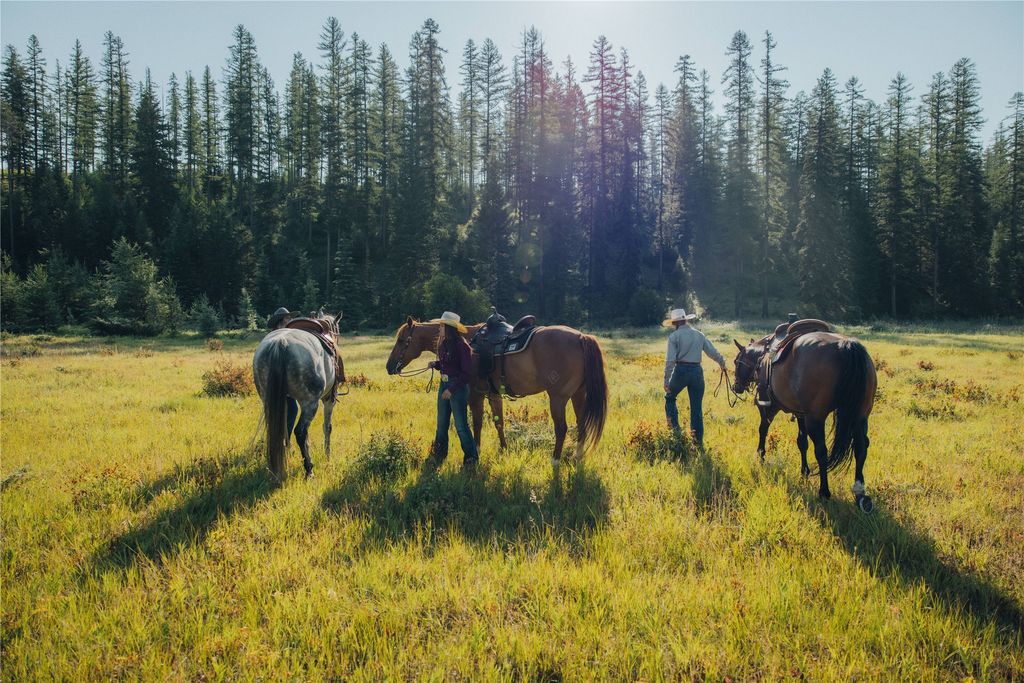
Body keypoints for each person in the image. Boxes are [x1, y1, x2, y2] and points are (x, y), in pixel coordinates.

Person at [662, 308, 726, 448]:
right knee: (696, 409)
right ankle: (697, 444)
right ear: (685, 320)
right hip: (697, 372)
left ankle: (676, 434)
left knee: (669, 398)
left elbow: (670, 361)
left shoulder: (674, 337)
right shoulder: (699, 335)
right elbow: (712, 352)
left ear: (675, 323)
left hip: (681, 371)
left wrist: (666, 380)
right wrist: (722, 363)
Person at [425, 311, 479, 470]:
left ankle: (471, 458)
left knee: (461, 425)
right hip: (444, 385)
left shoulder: (462, 346)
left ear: (449, 327)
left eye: (442, 326)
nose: (439, 328)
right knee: (441, 424)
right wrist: (435, 365)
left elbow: (466, 373)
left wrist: (452, 390)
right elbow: (447, 364)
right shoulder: (443, 345)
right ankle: (439, 454)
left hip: (458, 388)